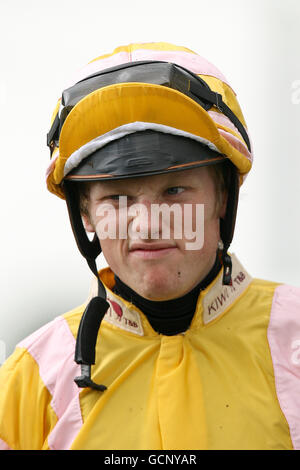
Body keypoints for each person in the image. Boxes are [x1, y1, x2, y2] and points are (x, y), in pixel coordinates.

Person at [0, 42, 299, 451]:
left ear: (223, 198)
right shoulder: (29, 379)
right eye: (117, 199)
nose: (148, 223)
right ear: (85, 214)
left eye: (174, 190)